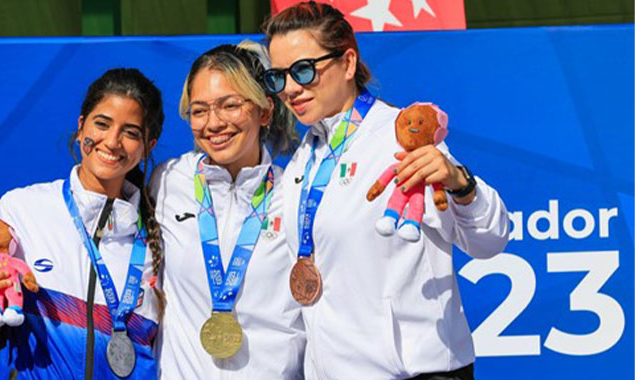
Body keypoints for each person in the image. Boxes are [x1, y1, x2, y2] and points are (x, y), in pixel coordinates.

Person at [262, 2, 510, 379]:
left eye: (303, 70)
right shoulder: (303, 160)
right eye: (278, 77)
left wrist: (460, 184)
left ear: (347, 63)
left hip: (415, 372)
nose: (291, 89)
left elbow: (490, 240)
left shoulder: (401, 133)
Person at [0, 68, 165, 380]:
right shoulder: (23, 209)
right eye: (101, 124)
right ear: (80, 126)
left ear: (148, 145)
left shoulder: (158, 235)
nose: (112, 141)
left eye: (130, 133)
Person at [150, 41, 305, 379]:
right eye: (199, 110)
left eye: (229, 105)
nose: (214, 123)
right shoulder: (167, 182)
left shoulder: (295, 191)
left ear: (264, 111)